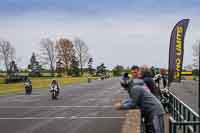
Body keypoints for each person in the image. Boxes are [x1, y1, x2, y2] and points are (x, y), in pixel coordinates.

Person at [115, 66, 165, 133]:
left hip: (154, 111)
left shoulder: (135, 88)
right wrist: (123, 102)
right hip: (152, 110)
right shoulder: (136, 86)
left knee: (156, 131)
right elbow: (132, 99)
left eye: (124, 86)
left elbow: (133, 103)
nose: (124, 89)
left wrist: (121, 106)